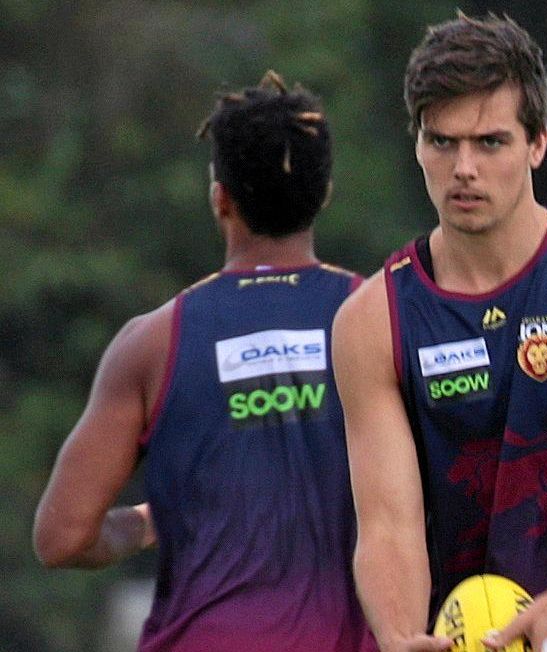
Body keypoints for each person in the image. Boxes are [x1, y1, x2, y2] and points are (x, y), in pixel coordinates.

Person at [332, 13, 547, 652]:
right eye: (442, 142)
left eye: (490, 142)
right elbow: (388, 528)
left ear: (538, 144)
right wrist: (396, 634)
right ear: (415, 143)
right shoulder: (372, 320)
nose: (463, 167)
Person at [33, 71, 377, 652]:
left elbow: (62, 537)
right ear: (324, 194)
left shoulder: (152, 342)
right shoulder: (380, 318)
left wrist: (145, 523)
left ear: (221, 198)